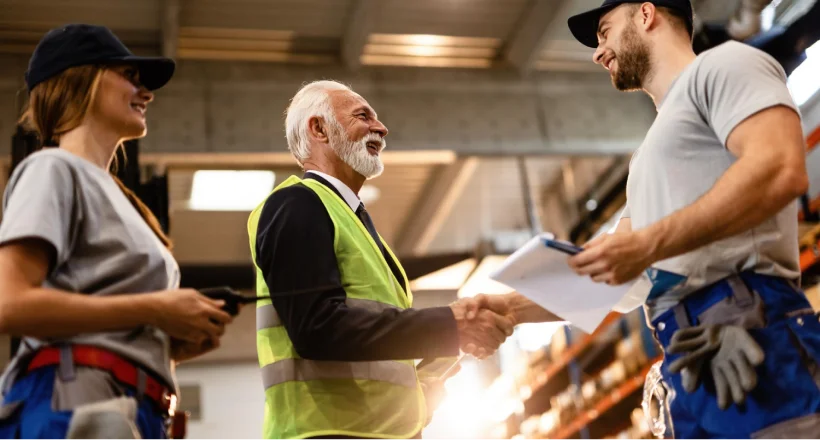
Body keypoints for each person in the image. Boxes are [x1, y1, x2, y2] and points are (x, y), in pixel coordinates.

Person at [565, 0, 815, 437]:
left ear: (645, 14)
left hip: (752, 335)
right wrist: (504, 310)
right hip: (689, 360)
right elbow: (614, 271)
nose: (597, 51)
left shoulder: (723, 65)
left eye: (604, 31)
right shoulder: (648, 157)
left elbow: (778, 167)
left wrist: (646, 245)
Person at [247, 80, 518, 440]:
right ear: (319, 129)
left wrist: (424, 381)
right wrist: (448, 326)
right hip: (325, 433)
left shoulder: (353, 221)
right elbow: (317, 327)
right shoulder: (297, 204)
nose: (382, 128)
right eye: (363, 116)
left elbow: (371, 345)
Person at [0, 24, 234, 439]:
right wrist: (156, 310)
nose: (147, 94)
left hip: (133, 407)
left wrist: (170, 345)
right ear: (81, 78)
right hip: (76, 398)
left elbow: (112, 320)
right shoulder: (52, 168)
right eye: (130, 77)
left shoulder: (127, 204)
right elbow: (9, 303)